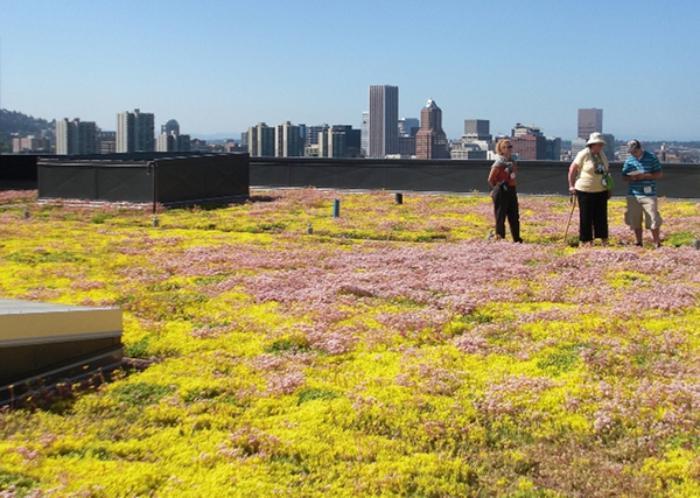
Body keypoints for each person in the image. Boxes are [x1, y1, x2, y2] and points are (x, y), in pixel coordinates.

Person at [568, 132, 611, 246]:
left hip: (601, 189)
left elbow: (607, 171)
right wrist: (571, 186)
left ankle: (603, 238)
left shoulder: (602, 155)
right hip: (585, 190)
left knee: (601, 216)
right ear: (592, 144)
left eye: (601, 144)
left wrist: (609, 187)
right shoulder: (584, 154)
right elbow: (572, 169)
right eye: (598, 144)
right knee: (586, 216)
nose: (600, 146)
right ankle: (586, 240)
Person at [622, 139, 663, 247]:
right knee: (635, 219)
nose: (633, 154)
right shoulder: (629, 160)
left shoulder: (651, 157)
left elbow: (658, 174)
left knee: (652, 218)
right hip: (633, 193)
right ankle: (638, 241)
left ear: (640, 149)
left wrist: (645, 176)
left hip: (649, 194)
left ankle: (656, 242)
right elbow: (624, 176)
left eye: (635, 151)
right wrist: (631, 177)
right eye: (631, 152)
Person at [488, 139, 522, 242]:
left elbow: (514, 175)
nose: (508, 149)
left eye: (510, 147)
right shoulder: (498, 163)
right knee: (500, 216)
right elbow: (490, 179)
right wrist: (496, 188)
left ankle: (516, 238)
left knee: (514, 215)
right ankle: (500, 238)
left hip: (511, 189)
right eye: (505, 147)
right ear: (501, 150)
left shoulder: (513, 162)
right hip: (501, 190)